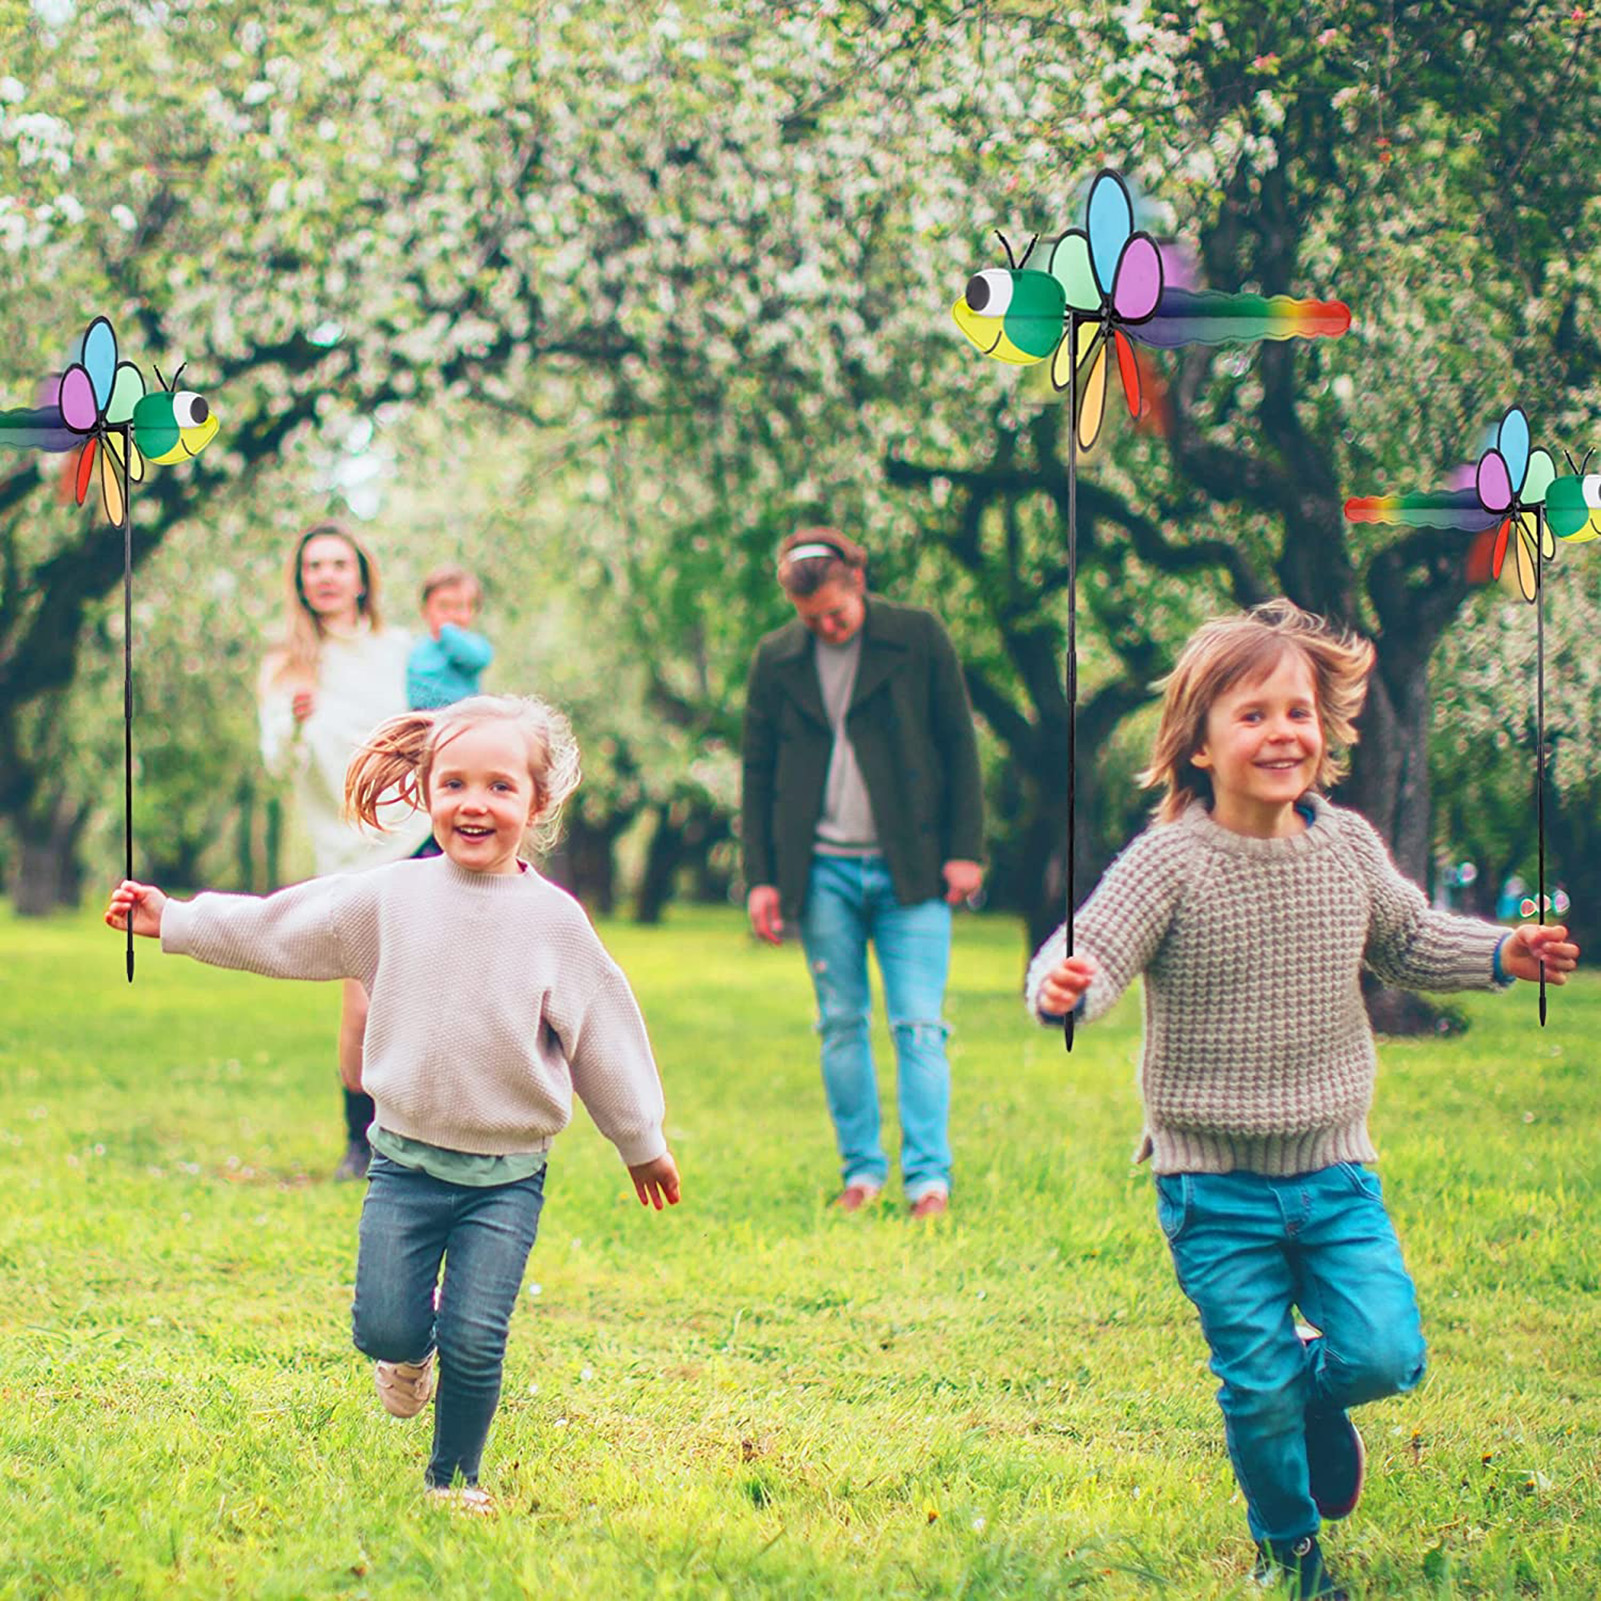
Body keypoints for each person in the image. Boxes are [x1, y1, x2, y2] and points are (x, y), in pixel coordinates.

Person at [1025, 599, 1578, 1600]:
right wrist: (1062, 985)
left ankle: (1317, 1395)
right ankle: (1287, 1549)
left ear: (1322, 729)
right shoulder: (1169, 861)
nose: (1281, 731)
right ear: (1195, 741)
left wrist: (1498, 950)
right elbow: (1091, 949)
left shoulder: (1348, 847)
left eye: (1298, 711)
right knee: (1253, 1384)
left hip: (1331, 1170)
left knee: (1383, 1351)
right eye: (1251, 714)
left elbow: (1407, 939)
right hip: (1209, 1186)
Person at [106, 694, 682, 1512]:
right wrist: (176, 919)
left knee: (477, 1339)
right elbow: (280, 927)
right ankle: (407, 1351)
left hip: (505, 1177)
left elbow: (606, 1036)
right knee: (384, 1326)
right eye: (453, 784)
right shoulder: (390, 897)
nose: (473, 803)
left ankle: (453, 1479)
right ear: (424, 791)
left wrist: (641, 1139)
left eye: (498, 786)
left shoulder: (555, 922)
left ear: (537, 802)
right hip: (404, 1165)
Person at [741, 527, 985, 1219]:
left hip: (912, 864)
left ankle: (927, 1180)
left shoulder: (917, 635)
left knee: (916, 1022)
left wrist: (965, 848)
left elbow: (957, 742)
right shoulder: (778, 658)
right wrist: (761, 876)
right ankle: (861, 1172)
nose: (825, 626)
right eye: (810, 617)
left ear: (857, 578)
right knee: (841, 1022)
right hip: (820, 870)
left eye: (835, 611)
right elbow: (756, 771)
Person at [259, 522, 432, 1181]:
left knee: (429, 990)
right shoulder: (288, 666)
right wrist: (296, 720)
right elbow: (277, 761)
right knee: (363, 1002)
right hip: (349, 851)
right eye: (313, 567)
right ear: (300, 581)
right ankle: (358, 1141)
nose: (326, 576)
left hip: (419, 833)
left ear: (361, 575)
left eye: (338, 564)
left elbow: (436, 720)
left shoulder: (400, 649)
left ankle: (425, 1135)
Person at [408, 564, 495, 711]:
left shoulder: (474, 645)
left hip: (460, 719)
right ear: (425, 610)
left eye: (460, 607)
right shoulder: (417, 649)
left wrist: (447, 632)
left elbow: (477, 658)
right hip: (423, 719)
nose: (452, 615)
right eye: (443, 606)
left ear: (474, 612)